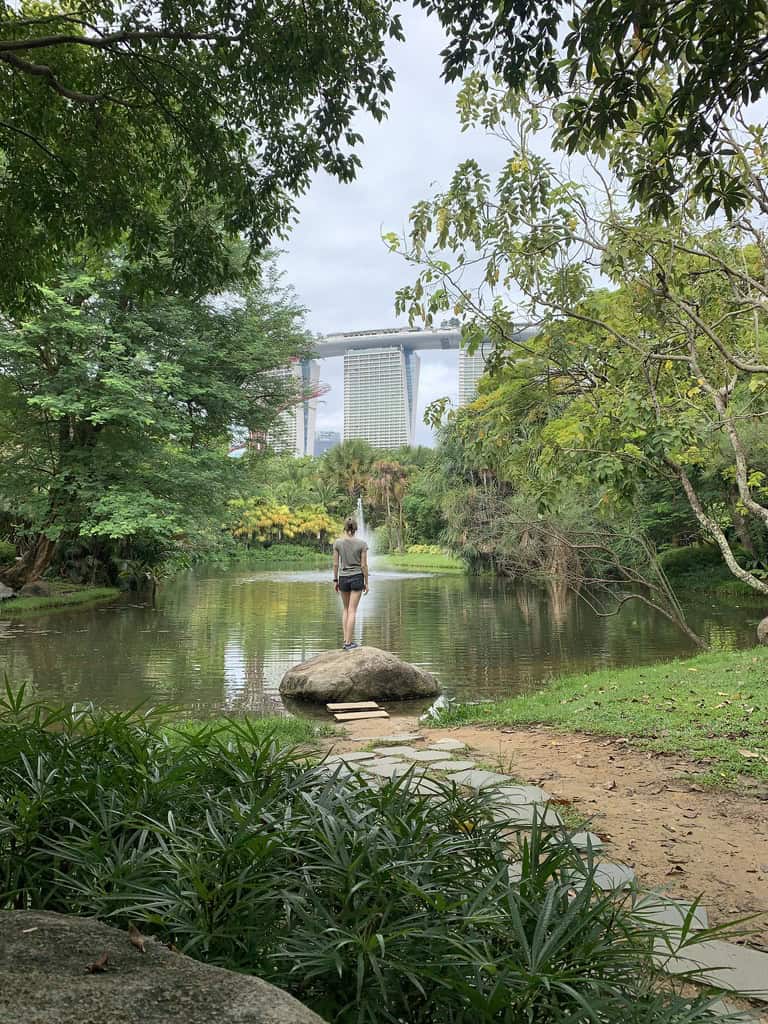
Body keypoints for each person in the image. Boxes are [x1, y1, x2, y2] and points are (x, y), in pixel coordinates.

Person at [332, 516, 368, 650]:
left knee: (346, 609)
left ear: (345, 528)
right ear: (356, 529)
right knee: (352, 610)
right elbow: (364, 565)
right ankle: (348, 642)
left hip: (343, 578)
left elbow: (336, 564)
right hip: (357, 577)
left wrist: (335, 580)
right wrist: (367, 582)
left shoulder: (337, 543)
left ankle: (346, 640)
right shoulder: (362, 544)